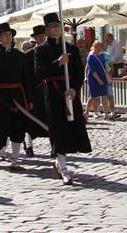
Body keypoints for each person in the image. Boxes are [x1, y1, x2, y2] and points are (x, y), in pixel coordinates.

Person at [35, 12, 91, 185]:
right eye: (52, 26)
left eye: (58, 26)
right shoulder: (41, 50)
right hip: (52, 93)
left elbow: (79, 71)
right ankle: (64, 167)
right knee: (58, 128)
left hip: (70, 93)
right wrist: (58, 63)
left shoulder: (71, 48)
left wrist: (74, 87)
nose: (56, 29)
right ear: (47, 30)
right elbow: (39, 73)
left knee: (71, 127)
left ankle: (59, 163)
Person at [0, 22, 33, 171]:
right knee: (1, 127)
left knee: (18, 128)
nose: (8, 36)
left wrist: (29, 99)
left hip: (19, 97)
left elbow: (26, 78)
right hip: (1, 97)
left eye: (9, 34)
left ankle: (15, 160)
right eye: (5, 34)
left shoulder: (20, 55)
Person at [22, 26, 48, 157]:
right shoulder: (28, 56)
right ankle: (29, 145)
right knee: (30, 120)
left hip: (49, 91)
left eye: (42, 35)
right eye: (38, 36)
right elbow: (25, 77)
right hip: (34, 92)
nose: (41, 37)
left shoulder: (52, 51)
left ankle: (55, 147)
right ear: (35, 38)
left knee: (51, 119)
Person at [85, 41, 111, 119]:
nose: (102, 48)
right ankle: (87, 112)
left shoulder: (102, 55)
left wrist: (107, 74)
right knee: (93, 96)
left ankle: (106, 114)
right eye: (100, 46)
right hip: (93, 78)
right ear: (96, 47)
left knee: (104, 95)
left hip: (102, 77)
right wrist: (99, 80)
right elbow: (92, 70)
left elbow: (104, 66)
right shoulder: (91, 56)